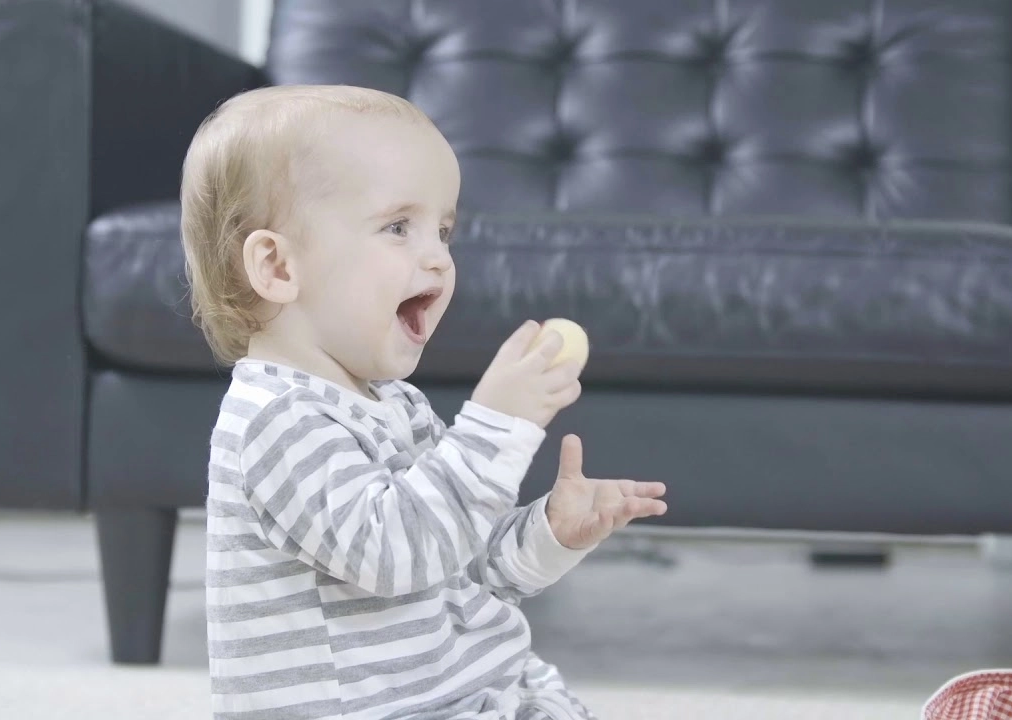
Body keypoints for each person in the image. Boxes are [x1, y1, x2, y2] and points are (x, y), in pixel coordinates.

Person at [180, 84, 669, 720]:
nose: (438, 258)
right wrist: (497, 425)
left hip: (455, 693)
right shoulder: (275, 421)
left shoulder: (396, 405)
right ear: (277, 266)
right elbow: (393, 555)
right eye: (397, 227)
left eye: (443, 230)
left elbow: (461, 563)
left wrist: (551, 532)